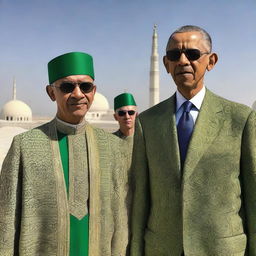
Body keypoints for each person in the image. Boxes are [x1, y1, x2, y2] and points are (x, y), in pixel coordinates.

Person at [130, 25, 256, 256]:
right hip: (162, 248)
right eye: (174, 55)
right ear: (166, 64)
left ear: (211, 61)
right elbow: (141, 199)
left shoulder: (240, 118)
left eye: (193, 54)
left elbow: (253, 196)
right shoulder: (147, 123)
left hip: (222, 249)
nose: (183, 61)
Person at [0, 52, 132, 256]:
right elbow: (6, 220)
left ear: (94, 91)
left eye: (85, 86)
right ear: (52, 93)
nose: (78, 94)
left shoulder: (112, 147)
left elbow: (121, 218)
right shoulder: (24, 146)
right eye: (67, 87)